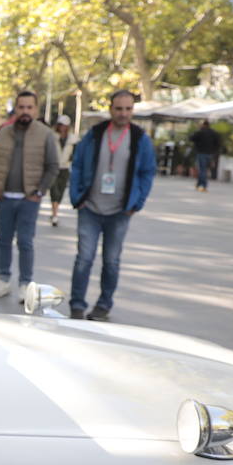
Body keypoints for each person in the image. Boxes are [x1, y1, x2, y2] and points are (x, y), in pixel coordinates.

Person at [67, 89, 156, 321]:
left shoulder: (139, 138)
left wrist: (137, 203)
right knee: (84, 258)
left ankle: (103, 305)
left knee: (111, 261)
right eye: (119, 108)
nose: (123, 113)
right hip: (90, 208)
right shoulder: (95, 134)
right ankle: (77, 305)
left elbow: (148, 172)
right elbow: (77, 164)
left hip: (120, 211)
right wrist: (77, 197)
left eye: (128, 109)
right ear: (110, 109)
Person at [0, 91, 59, 297]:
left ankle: (26, 284)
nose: (25, 111)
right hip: (5, 198)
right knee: (4, 240)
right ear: (15, 109)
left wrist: (40, 191)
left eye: (29, 107)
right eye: (21, 107)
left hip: (29, 200)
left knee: (25, 242)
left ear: (35, 109)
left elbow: (53, 166)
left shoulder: (45, 134)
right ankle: (3, 279)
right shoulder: (4, 133)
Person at [48, 114, 78, 225]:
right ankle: (54, 214)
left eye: (65, 125)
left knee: (60, 191)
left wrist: (71, 161)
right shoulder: (52, 137)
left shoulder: (72, 139)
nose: (62, 128)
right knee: (54, 190)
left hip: (65, 168)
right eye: (61, 125)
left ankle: (55, 210)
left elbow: (76, 153)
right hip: (53, 167)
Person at [190, 120, 222, 191]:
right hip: (210, 154)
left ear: (203, 125)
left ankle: (203, 185)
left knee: (202, 169)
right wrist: (214, 151)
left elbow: (191, 138)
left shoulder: (200, 132)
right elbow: (218, 143)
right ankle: (199, 184)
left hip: (201, 153)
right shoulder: (213, 133)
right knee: (205, 169)